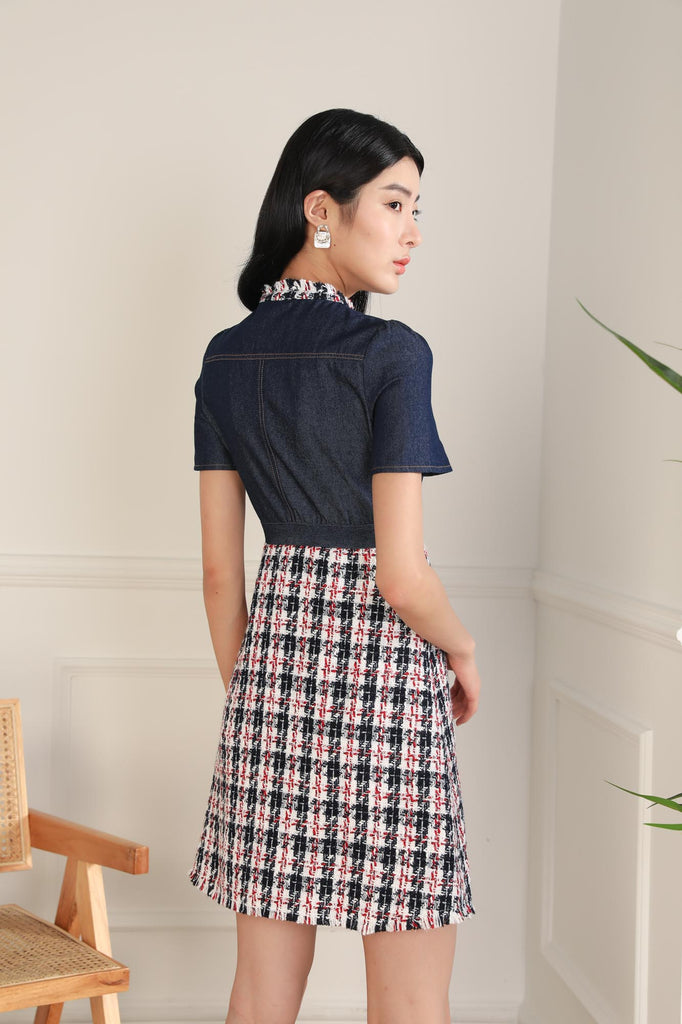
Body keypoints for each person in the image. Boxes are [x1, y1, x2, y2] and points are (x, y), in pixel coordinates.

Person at [189, 108, 481, 1024]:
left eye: (417, 209)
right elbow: (402, 575)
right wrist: (463, 649)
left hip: (272, 688)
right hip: (389, 689)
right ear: (321, 209)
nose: (412, 231)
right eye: (394, 204)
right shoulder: (391, 353)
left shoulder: (225, 358)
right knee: (411, 998)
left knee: (260, 994)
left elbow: (219, 576)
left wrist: (263, 700)